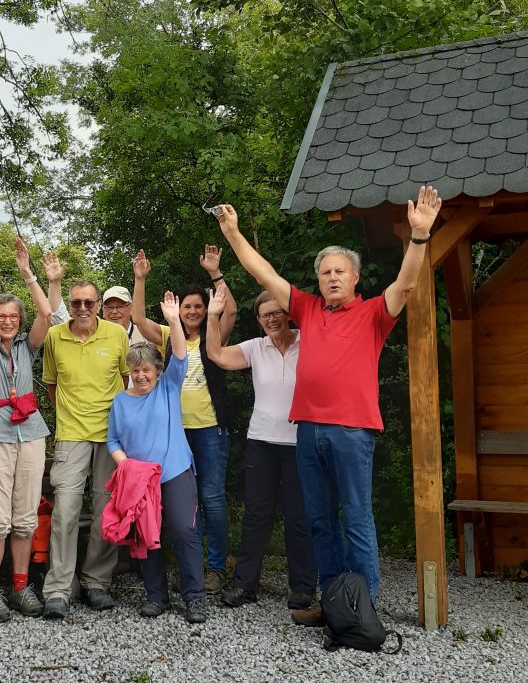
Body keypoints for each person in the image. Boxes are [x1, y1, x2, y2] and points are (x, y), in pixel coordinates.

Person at [215, 185, 443, 603]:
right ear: (318, 281)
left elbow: (407, 284)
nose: (333, 277)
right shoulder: (307, 308)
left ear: (355, 278)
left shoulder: (375, 312)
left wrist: (420, 235)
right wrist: (232, 232)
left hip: (352, 431)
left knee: (356, 518)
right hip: (308, 430)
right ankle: (334, 601)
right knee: (319, 520)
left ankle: (363, 605)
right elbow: (262, 273)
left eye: (340, 271)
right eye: (326, 272)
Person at [205, 286, 318, 623]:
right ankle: (245, 584)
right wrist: (213, 315)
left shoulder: (309, 341)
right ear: (258, 321)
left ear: (289, 313)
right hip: (261, 441)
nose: (272, 319)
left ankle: (302, 587)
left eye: (277, 312)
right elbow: (216, 355)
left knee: (300, 517)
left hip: (301, 441)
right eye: (265, 314)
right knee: (256, 515)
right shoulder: (255, 348)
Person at [131, 246, 237, 593]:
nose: (192, 311)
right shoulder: (168, 335)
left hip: (209, 429)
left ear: (206, 310)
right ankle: (188, 565)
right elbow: (139, 320)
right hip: (173, 434)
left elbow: (232, 309)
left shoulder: (214, 333)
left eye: (198, 306)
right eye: (187, 306)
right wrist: (141, 279)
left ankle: (216, 567)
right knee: (181, 501)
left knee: (211, 497)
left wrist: (215, 273)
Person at [0, 237, 55, 622]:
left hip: (31, 434)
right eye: (0, 315)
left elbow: (47, 315)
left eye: (12, 316)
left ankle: (20, 586)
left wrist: (28, 272)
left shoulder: (27, 347)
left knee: (25, 518)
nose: (7, 320)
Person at [107, 291, 208, 622]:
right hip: (140, 479)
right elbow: (113, 440)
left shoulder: (168, 386)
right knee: (147, 537)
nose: (141, 376)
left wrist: (174, 320)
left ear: (156, 370)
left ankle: (194, 597)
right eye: (135, 371)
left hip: (175, 471)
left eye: (146, 369)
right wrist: (127, 464)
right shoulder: (121, 402)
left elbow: (180, 356)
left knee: (182, 529)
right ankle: (156, 595)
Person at [41, 280, 129, 619]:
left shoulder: (116, 335)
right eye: (76, 303)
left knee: (106, 509)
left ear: (98, 304)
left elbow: (124, 381)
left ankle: (96, 581)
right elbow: (51, 383)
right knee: (65, 510)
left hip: (110, 436)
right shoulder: (54, 337)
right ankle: (59, 588)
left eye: (88, 303)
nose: (82, 309)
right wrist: (68, 414)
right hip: (71, 433)